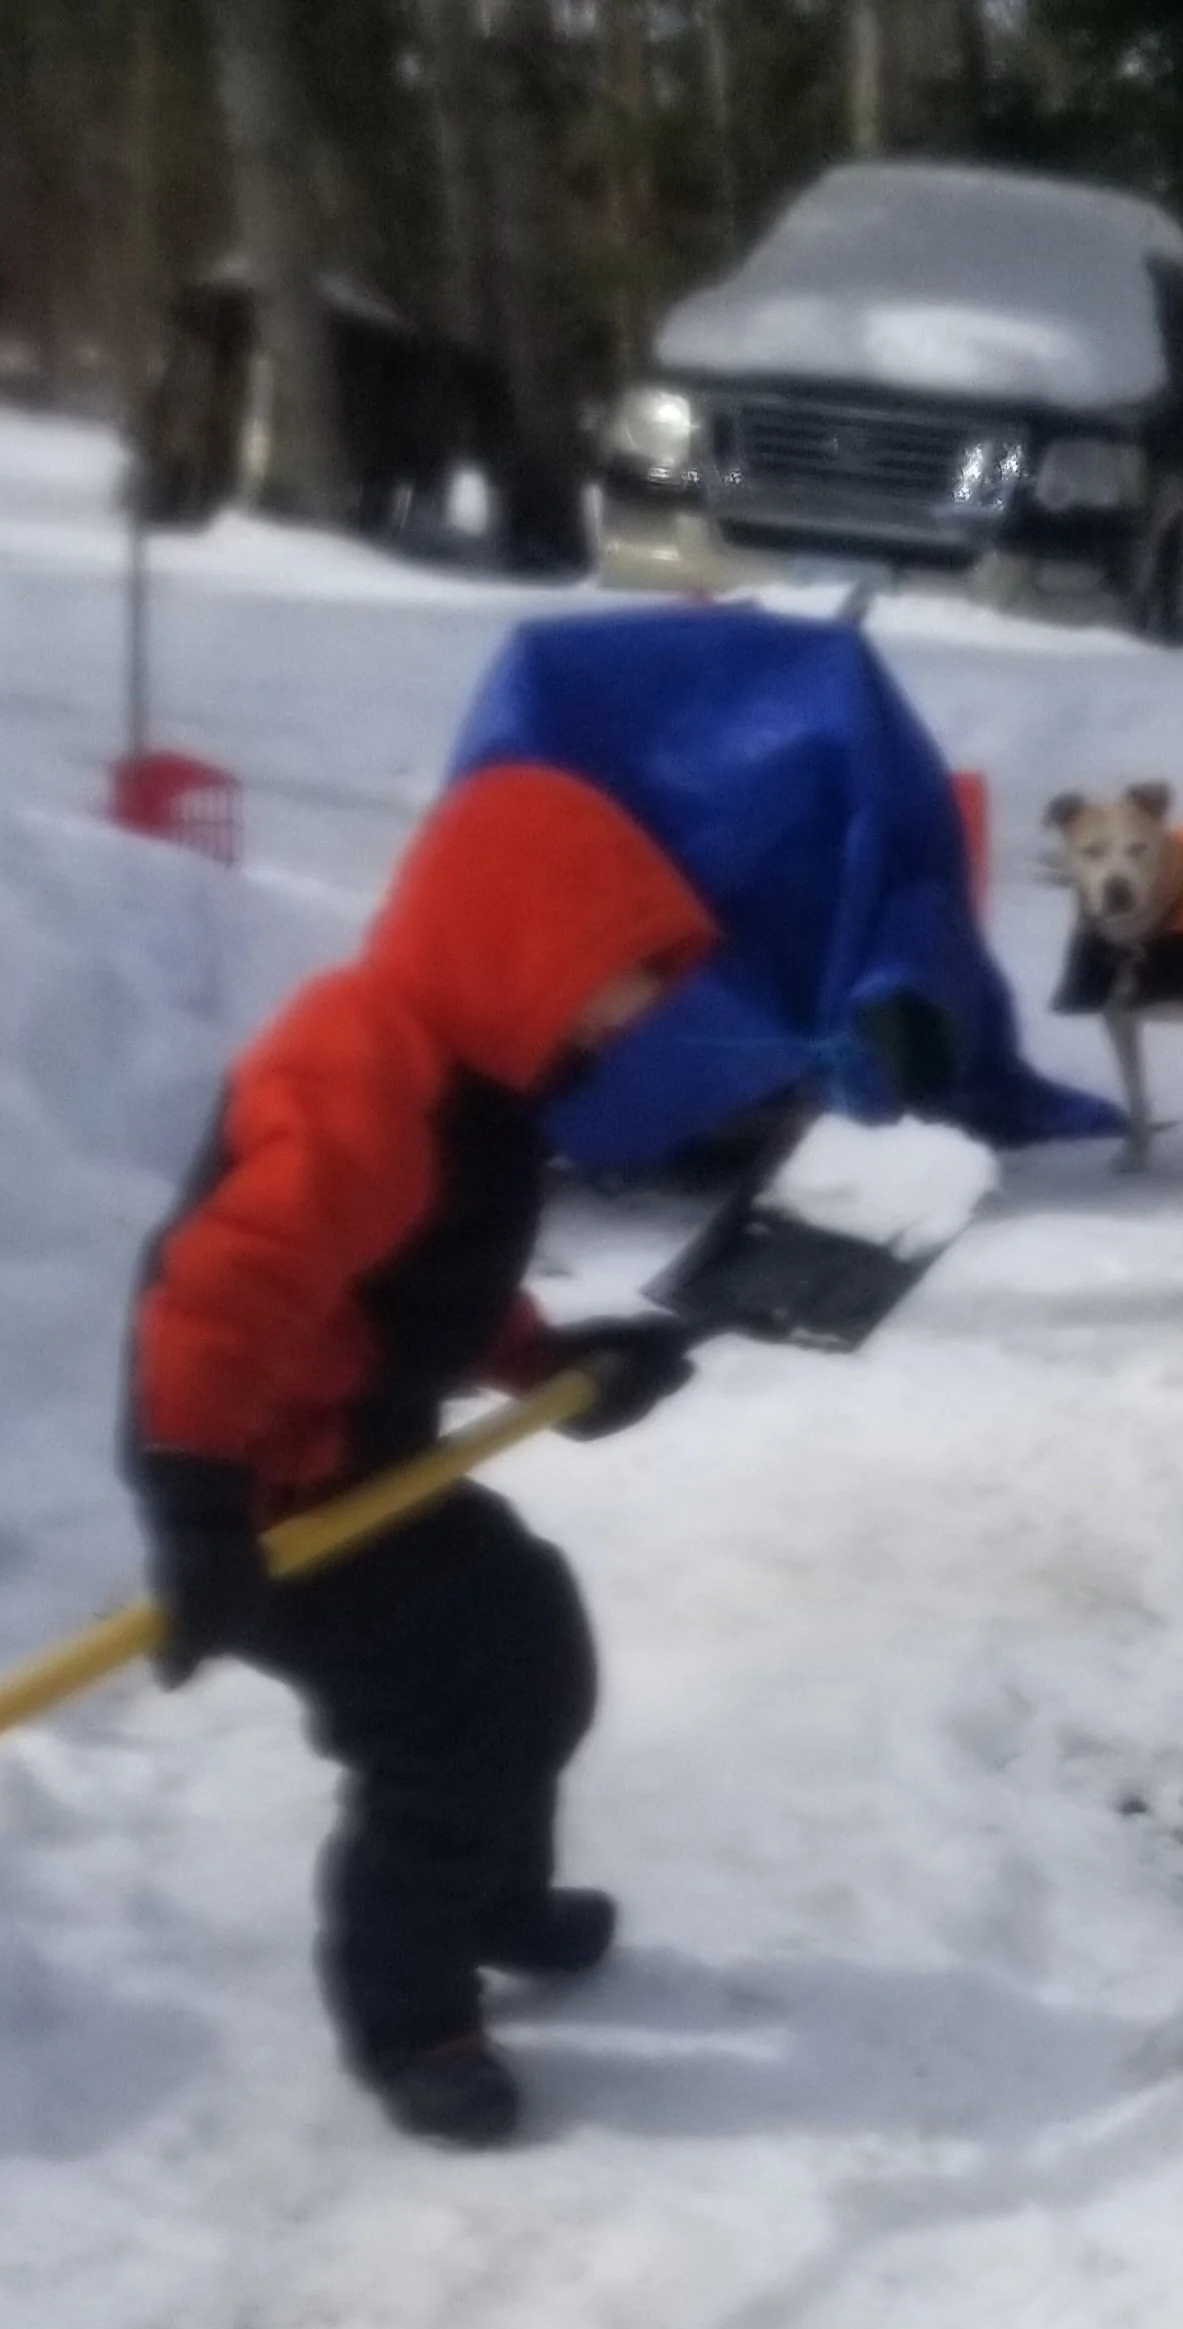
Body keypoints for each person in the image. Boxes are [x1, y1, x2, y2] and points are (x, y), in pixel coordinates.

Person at [124, 763, 720, 2147]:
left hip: (358, 1454)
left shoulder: (472, 1086)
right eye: (619, 973)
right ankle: (414, 2019)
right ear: (520, 941)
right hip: (267, 1482)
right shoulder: (363, 1072)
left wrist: (542, 1365)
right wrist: (200, 1512)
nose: (632, 1013)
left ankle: (494, 1900)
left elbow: (418, 1289)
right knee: (445, 1728)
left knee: (528, 1636)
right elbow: (229, 1293)